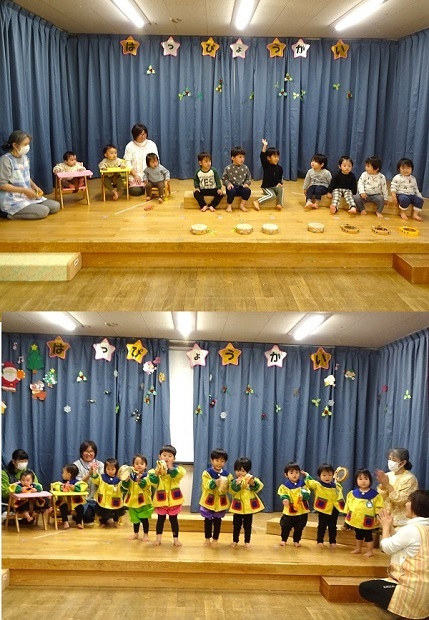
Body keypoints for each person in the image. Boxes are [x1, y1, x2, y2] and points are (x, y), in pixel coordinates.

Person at [359, 490, 429, 619]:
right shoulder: (422, 527)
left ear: (416, 505)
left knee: (365, 588)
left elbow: (387, 547)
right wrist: (390, 526)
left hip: (413, 588)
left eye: (409, 501)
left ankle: (407, 613)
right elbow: (400, 541)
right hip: (425, 588)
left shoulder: (412, 529)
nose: (406, 504)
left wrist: (385, 527)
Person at [0, 130, 60, 219]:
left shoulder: (25, 158)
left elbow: (25, 176)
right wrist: (25, 191)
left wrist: (34, 186)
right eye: (25, 144)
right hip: (12, 200)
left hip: (26, 196)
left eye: (28, 144)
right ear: (15, 145)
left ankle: (29, 207)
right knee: (43, 211)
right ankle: (7, 213)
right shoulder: (5, 160)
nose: (27, 147)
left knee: (55, 206)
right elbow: (2, 185)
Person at [148, 444, 186, 546]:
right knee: (160, 520)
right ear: (159, 457)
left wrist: (170, 467)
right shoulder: (153, 471)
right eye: (164, 455)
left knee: (174, 520)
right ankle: (158, 539)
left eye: (170, 456)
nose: (167, 458)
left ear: (174, 458)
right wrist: (157, 473)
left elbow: (177, 476)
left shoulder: (178, 470)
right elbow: (152, 482)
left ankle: (176, 539)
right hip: (161, 501)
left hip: (174, 501)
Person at [302, 463, 345, 548]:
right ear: (319, 476)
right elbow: (309, 482)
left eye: (329, 475)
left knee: (333, 526)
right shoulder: (317, 484)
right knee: (322, 526)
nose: (327, 477)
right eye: (324, 475)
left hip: (334, 509)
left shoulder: (336, 486)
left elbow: (340, 488)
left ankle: (332, 541)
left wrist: (339, 479)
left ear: (333, 475)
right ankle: (320, 541)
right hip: (323, 509)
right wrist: (307, 475)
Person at [344, 468, 384, 557]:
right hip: (356, 520)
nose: (363, 481)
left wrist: (377, 515)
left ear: (370, 480)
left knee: (368, 536)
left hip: (368, 520)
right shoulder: (352, 493)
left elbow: (379, 506)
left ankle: (370, 551)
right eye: (360, 479)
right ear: (356, 480)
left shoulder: (375, 495)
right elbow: (348, 505)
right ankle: (358, 549)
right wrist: (346, 515)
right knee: (358, 535)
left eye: (366, 479)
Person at [375, 448, 419, 527]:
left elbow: (401, 500)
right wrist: (382, 486)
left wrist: (387, 485)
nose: (390, 462)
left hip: (401, 522)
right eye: (389, 459)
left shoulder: (409, 478)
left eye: (394, 459)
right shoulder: (388, 475)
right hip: (386, 519)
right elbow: (380, 497)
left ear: (403, 463)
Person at [199, 448, 233, 546]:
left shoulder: (228, 475)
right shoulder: (206, 473)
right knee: (208, 521)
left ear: (225, 462)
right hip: (209, 501)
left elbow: (230, 488)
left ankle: (215, 539)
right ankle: (207, 538)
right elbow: (207, 485)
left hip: (220, 502)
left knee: (218, 521)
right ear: (212, 460)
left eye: (222, 461)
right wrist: (216, 482)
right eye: (217, 460)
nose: (219, 463)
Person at [229, 457, 264, 548]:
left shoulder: (252, 479)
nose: (240, 473)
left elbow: (259, 487)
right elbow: (231, 490)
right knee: (236, 525)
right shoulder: (234, 481)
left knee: (248, 525)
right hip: (238, 508)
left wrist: (252, 483)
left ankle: (247, 541)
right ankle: (235, 540)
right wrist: (236, 484)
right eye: (237, 470)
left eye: (243, 471)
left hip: (248, 508)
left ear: (248, 471)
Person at [277, 462, 311, 547]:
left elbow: (307, 492)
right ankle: (284, 539)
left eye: (296, 472)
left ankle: (296, 540)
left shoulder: (303, 484)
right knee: (286, 526)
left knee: (299, 527)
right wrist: (285, 499)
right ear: (286, 475)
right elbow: (283, 494)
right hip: (289, 511)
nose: (294, 475)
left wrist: (304, 495)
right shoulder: (284, 486)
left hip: (301, 510)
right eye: (291, 473)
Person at [121, 454, 154, 541]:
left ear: (146, 466)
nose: (139, 465)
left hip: (144, 502)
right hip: (132, 501)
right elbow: (124, 488)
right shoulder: (130, 476)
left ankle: (146, 534)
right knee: (134, 519)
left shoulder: (148, 476)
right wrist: (126, 481)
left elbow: (145, 485)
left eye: (142, 463)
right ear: (133, 465)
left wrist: (140, 480)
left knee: (144, 519)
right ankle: (135, 533)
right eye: (137, 463)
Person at [73, 440, 104, 523]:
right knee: (87, 516)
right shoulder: (76, 465)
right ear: (81, 452)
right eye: (86, 451)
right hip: (83, 499)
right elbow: (76, 484)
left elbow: (103, 483)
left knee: (107, 514)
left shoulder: (100, 465)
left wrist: (95, 475)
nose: (89, 454)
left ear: (95, 452)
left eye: (91, 451)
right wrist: (89, 474)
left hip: (97, 499)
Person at [2, 449, 41, 514]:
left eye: (25, 461)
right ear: (14, 461)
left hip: (29, 502)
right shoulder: (4, 473)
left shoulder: (30, 473)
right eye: (21, 461)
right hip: (10, 504)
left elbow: (37, 485)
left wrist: (35, 489)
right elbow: (4, 493)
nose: (24, 463)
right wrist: (18, 490)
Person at [124, 123, 159, 196]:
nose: (143, 136)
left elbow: (156, 161)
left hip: (150, 174)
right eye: (140, 134)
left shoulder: (151, 144)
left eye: (144, 134)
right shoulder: (129, 146)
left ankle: (146, 187)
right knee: (135, 191)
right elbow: (127, 163)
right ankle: (142, 188)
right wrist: (135, 175)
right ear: (135, 135)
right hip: (135, 175)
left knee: (156, 185)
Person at [51, 464, 88, 529]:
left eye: (63, 473)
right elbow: (54, 486)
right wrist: (62, 487)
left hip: (74, 503)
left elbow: (83, 487)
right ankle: (65, 522)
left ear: (69, 474)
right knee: (63, 507)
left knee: (80, 508)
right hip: (64, 502)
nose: (62, 474)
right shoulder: (61, 483)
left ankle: (79, 522)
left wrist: (75, 488)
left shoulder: (78, 483)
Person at [91, 457, 125, 527]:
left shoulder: (119, 479)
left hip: (114, 499)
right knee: (103, 511)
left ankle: (116, 521)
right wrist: (94, 472)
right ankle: (103, 522)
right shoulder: (102, 477)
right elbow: (95, 480)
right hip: (104, 500)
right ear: (105, 469)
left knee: (116, 511)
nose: (110, 471)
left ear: (116, 469)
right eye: (108, 469)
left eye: (112, 469)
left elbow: (123, 488)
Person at [253, 138, 284, 211]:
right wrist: (265, 145)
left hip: (274, 186)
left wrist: (280, 183)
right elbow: (262, 156)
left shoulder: (280, 168)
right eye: (275, 157)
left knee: (281, 189)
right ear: (268, 158)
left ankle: (279, 204)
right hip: (266, 187)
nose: (277, 158)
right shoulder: (266, 165)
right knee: (272, 196)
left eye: (278, 156)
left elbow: (280, 178)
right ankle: (257, 201)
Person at [222, 146, 252, 213]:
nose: (242, 159)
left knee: (248, 191)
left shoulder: (245, 168)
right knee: (231, 191)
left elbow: (248, 177)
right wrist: (228, 184)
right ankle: (229, 206)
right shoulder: (228, 168)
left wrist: (246, 184)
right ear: (233, 158)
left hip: (241, 187)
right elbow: (224, 178)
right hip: (232, 187)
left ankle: (242, 205)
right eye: (240, 157)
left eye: (243, 157)